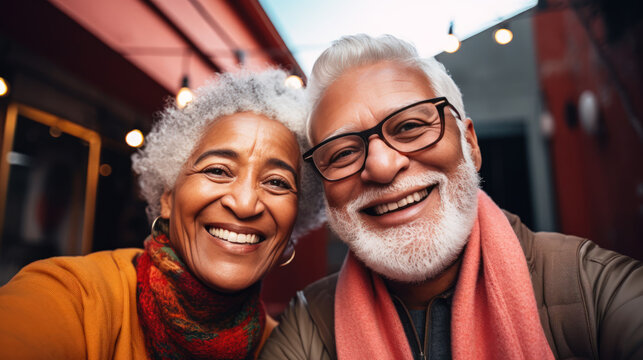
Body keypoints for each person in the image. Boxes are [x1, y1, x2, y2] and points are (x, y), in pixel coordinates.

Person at [260, 35, 643, 360]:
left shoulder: (591, 287)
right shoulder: (308, 327)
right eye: (342, 153)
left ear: (469, 143)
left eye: (410, 126)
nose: (381, 166)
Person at [0, 68, 325, 359]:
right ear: (168, 197)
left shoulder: (286, 347)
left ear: (295, 218)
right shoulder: (77, 298)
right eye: (218, 170)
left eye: (276, 182)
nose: (244, 203)